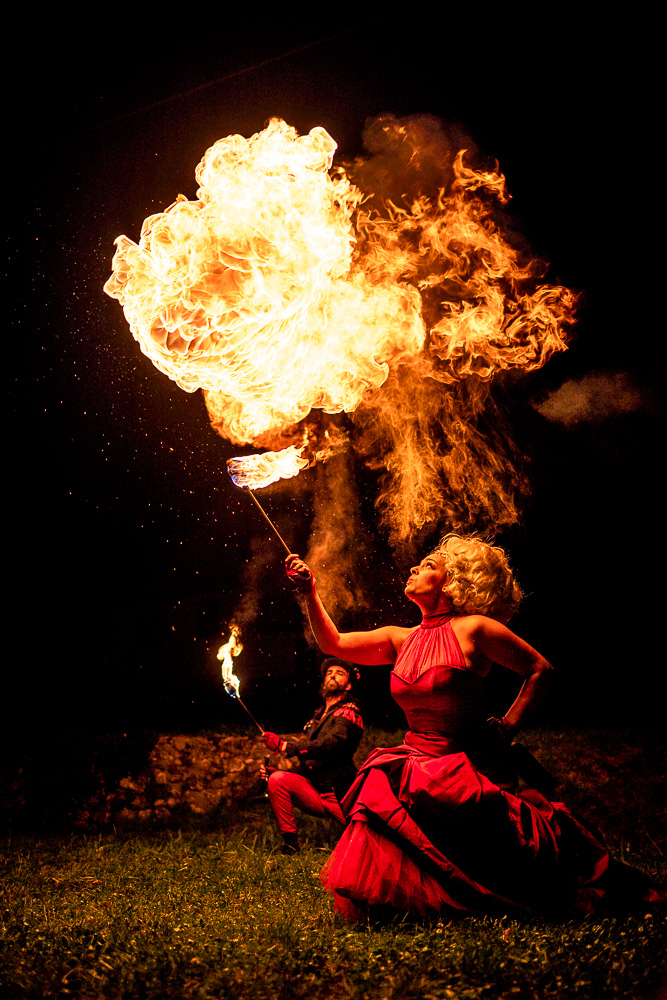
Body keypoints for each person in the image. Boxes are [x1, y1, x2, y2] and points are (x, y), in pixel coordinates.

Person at [284, 534, 666, 920]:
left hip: (465, 764)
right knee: (382, 790)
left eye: (429, 565)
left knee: (521, 871)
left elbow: (540, 671)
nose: (415, 568)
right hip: (417, 758)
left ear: (454, 584)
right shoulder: (400, 638)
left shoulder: (475, 629)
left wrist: (508, 724)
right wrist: (309, 591)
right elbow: (334, 643)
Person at [261, 658, 364, 854]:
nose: (333, 674)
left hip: (340, 794)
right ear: (324, 682)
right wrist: (283, 772)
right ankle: (290, 845)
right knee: (277, 779)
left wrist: (285, 746)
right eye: (329, 672)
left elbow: (332, 745)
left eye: (340, 673)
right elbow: (310, 760)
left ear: (348, 685)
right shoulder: (315, 719)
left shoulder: (350, 713)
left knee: (365, 842)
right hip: (315, 793)